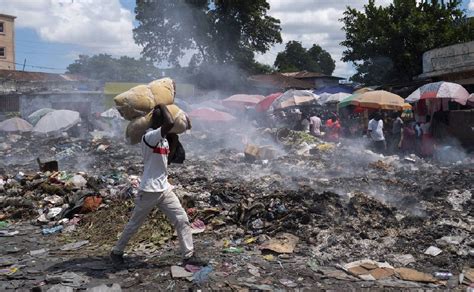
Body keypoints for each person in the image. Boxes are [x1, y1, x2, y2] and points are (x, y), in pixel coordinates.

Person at [110, 104, 206, 266]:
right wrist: (162, 104)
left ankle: (188, 255)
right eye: (165, 118)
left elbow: (167, 161)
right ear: (158, 121)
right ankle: (116, 252)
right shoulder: (149, 137)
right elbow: (169, 123)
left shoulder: (164, 140)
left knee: (181, 219)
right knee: (135, 224)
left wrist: (176, 136)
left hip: (164, 188)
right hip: (149, 189)